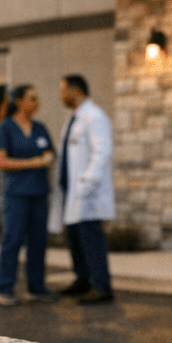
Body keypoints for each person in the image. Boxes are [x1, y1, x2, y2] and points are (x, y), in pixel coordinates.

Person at [0, 84, 58, 307]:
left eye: (37, 99)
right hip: (15, 194)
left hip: (39, 193)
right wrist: (33, 162)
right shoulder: (5, 128)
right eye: (32, 99)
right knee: (13, 239)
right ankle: (5, 288)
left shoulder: (40, 128)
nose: (37, 103)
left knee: (38, 241)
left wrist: (45, 159)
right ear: (19, 101)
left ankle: (36, 287)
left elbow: (49, 154)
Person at [56, 75, 115, 303]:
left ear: (74, 90)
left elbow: (103, 152)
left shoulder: (94, 116)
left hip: (87, 193)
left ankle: (101, 286)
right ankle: (83, 281)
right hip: (73, 194)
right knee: (76, 240)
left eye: (63, 90)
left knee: (91, 241)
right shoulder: (75, 118)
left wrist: (87, 182)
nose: (61, 95)